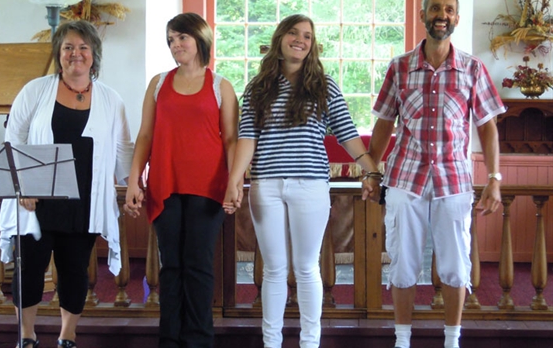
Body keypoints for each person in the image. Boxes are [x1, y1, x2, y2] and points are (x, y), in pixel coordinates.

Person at [222, 14, 381, 348]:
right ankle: (272, 342)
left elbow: (346, 132)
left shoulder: (323, 85)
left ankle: (310, 342)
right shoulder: (258, 86)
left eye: (307, 36)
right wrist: (234, 181)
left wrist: (369, 167)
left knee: (307, 268)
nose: (300, 40)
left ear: (312, 45)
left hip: (310, 185)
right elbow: (247, 138)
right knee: (275, 270)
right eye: (294, 33)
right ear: (281, 39)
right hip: (266, 185)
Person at [367, 1, 505, 347]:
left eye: (448, 9)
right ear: (422, 15)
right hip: (404, 179)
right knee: (402, 263)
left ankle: (452, 340)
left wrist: (494, 179)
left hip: (454, 181)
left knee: (456, 266)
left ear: (456, 17)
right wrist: (371, 173)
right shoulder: (399, 68)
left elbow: (487, 128)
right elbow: (384, 125)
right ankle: (402, 340)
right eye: (433, 9)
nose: (440, 16)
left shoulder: (473, 68)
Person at [0, 20, 134, 348]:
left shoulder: (111, 99)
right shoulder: (35, 90)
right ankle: (27, 335)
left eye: (83, 47)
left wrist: (132, 186)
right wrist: (22, 187)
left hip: (84, 202)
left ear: (94, 54)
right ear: (59, 54)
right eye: (68, 47)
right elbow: (13, 138)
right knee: (29, 270)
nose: (76, 54)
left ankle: (66, 336)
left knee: (75, 272)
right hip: (37, 200)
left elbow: (122, 147)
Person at [123, 13, 239, 348]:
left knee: (198, 266)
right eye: (171, 40)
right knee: (171, 266)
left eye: (182, 38)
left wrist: (234, 183)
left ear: (200, 39)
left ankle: (199, 340)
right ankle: (169, 339)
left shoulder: (221, 86)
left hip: (208, 188)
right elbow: (145, 135)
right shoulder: (159, 83)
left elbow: (232, 140)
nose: (176, 45)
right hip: (165, 185)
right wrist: (134, 180)